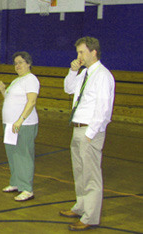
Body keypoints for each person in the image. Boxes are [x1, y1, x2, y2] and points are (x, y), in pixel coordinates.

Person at [60, 37, 115, 231]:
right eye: (77, 53)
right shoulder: (83, 73)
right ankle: (81, 206)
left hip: (90, 130)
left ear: (94, 52)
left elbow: (104, 109)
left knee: (91, 175)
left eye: (81, 52)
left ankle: (90, 216)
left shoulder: (103, 75)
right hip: (77, 127)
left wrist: (91, 133)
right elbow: (68, 89)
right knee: (80, 172)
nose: (78, 56)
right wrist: (73, 71)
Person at [0, 51, 40, 202]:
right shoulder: (17, 80)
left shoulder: (31, 79)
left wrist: (20, 120)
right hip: (10, 124)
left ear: (28, 63)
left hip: (23, 125)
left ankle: (27, 189)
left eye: (21, 62)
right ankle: (16, 182)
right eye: (15, 63)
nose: (18, 65)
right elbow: (9, 100)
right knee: (13, 154)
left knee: (23, 155)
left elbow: (31, 101)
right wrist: (3, 91)